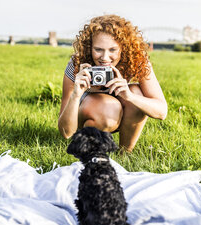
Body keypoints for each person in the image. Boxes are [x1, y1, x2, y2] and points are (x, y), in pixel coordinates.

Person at [58, 15, 167, 152]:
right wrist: (75, 95)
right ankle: (91, 149)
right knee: (107, 107)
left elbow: (162, 112)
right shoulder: (78, 64)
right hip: (93, 115)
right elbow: (66, 132)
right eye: (98, 49)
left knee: (136, 93)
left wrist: (129, 96)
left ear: (124, 47)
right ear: (89, 47)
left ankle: (125, 153)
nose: (104, 58)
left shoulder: (137, 60)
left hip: (122, 113)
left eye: (112, 50)